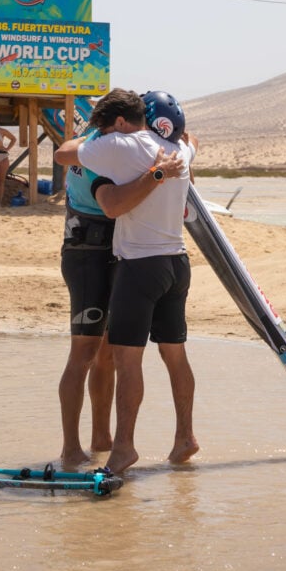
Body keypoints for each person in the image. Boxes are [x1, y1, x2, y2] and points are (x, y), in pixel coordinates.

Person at [55, 89, 200, 473]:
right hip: (167, 259)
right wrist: (177, 143)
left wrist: (146, 169)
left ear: (118, 123)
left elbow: (64, 156)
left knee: (120, 356)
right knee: (155, 353)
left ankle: (121, 447)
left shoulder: (119, 145)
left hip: (136, 262)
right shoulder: (176, 150)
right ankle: (175, 437)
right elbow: (192, 143)